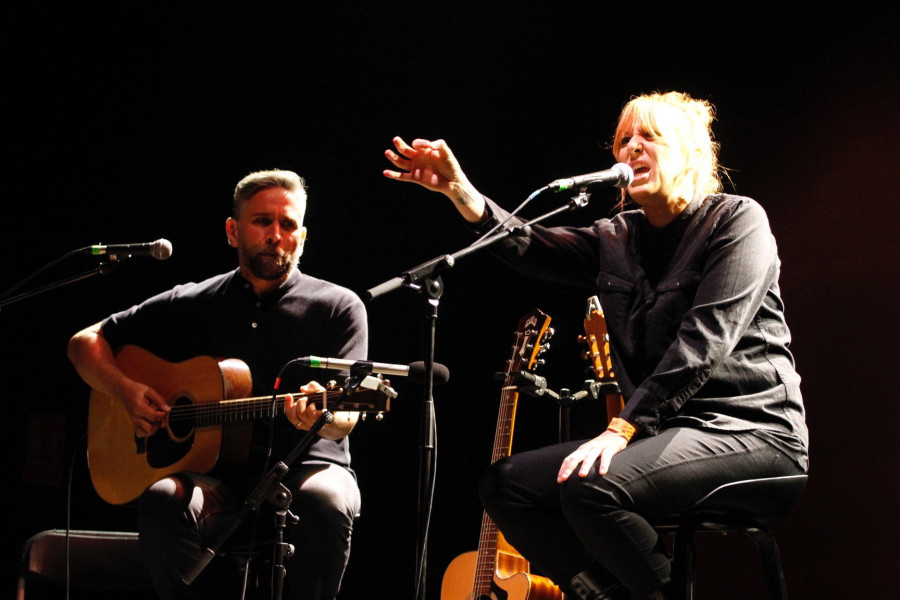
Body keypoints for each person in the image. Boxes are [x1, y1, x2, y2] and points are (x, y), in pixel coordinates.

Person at [382, 91, 808, 600]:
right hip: (668, 436)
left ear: (693, 154)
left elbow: (704, 342)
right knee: (507, 485)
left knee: (591, 487)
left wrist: (624, 427)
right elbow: (527, 245)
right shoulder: (618, 238)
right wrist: (461, 192)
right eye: (624, 140)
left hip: (751, 434)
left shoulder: (738, 221)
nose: (632, 148)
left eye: (649, 137)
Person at [67, 169, 369, 600]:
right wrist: (124, 390)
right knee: (163, 498)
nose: (276, 235)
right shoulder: (193, 301)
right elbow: (84, 343)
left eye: (288, 225)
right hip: (217, 480)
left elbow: (347, 416)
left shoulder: (339, 307)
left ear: (302, 235)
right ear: (233, 230)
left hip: (307, 471)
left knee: (327, 500)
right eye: (263, 221)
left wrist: (323, 416)